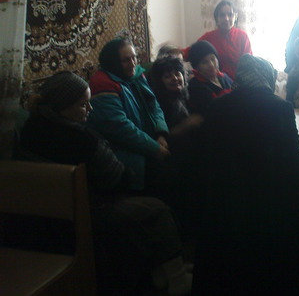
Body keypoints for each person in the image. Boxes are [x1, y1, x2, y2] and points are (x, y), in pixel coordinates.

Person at [19, 71, 192, 296]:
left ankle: (159, 270)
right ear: (63, 106)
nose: (90, 109)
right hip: (88, 209)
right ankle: (177, 277)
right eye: (83, 105)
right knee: (157, 209)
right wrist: (130, 173)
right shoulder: (83, 139)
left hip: (46, 210)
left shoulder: (30, 128)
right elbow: (116, 178)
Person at [192, 54, 299, 295]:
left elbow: (207, 158)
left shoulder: (216, 106)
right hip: (273, 211)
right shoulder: (278, 107)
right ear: (267, 77)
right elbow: (298, 169)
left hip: (225, 208)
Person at [87, 38, 170, 191]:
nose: (133, 63)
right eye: (126, 60)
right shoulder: (102, 83)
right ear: (113, 62)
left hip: (150, 142)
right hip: (125, 153)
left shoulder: (136, 74)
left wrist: (161, 133)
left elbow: (154, 105)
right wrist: (154, 148)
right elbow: (120, 128)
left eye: (134, 57)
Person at [188, 0, 252, 79]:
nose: (226, 19)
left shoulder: (242, 36)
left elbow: (249, 63)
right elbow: (193, 51)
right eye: (222, 15)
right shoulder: (209, 37)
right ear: (217, 18)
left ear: (236, 17)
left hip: (240, 80)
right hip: (217, 81)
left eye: (230, 14)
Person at [187, 40, 233, 116]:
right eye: (204, 62)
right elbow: (215, 110)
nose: (211, 65)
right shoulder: (195, 86)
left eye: (212, 59)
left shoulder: (225, 77)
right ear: (197, 67)